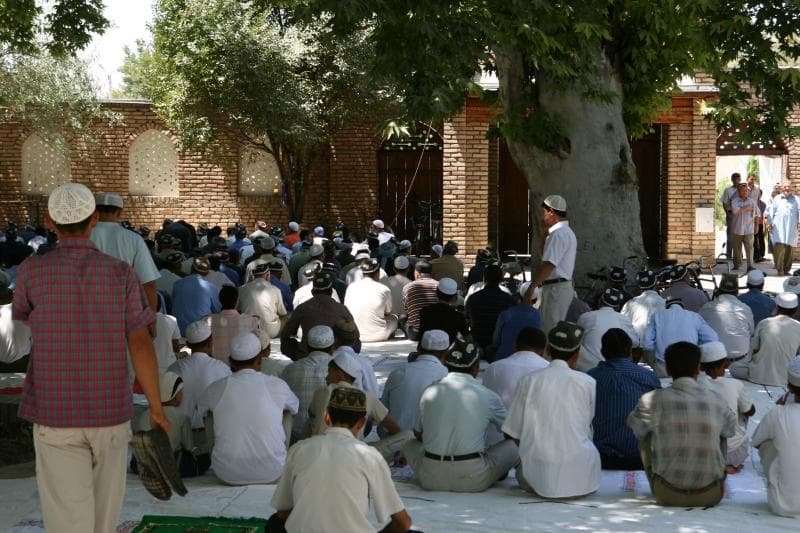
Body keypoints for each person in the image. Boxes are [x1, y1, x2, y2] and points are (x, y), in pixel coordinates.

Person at [13, 183, 166, 533]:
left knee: (68, 516)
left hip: (54, 410)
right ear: (94, 219)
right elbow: (140, 343)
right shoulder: (121, 273)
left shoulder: (32, 271)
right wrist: (155, 406)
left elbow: (23, 317)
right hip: (109, 411)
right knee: (104, 515)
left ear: (50, 222)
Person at [270, 386, 413, 533]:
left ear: (326, 416)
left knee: (274, 523)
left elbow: (283, 512)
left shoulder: (299, 449)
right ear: (361, 423)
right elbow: (403, 523)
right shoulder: (370, 456)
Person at [627, 341, 737, 507]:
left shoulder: (651, 400)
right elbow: (731, 429)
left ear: (669, 370)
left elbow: (634, 425)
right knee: (721, 432)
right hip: (711, 494)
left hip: (666, 493)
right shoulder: (717, 400)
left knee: (645, 433)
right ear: (698, 368)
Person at [403, 340, 518, 492]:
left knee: (408, 443)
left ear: (445, 364)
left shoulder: (430, 390)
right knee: (515, 446)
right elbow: (513, 433)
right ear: (476, 368)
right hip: (472, 478)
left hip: (430, 477)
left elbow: (418, 434)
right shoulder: (488, 396)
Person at [503, 321, 600, 498]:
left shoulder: (529, 381)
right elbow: (586, 425)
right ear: (576, 355)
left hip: (537, 478)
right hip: (582, 477)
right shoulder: (588, 382)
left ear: (547, 351)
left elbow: (514, 433)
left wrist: (536, 455)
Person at [198, 332, 299, 485]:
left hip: (227, 472)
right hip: (273, 470)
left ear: (230, 361)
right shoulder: (277, 385)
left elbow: (201, 409)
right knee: (287, 412)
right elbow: (295, 407)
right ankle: (276, 453)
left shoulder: (217, 388)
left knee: (210, 413)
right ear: (259, 361)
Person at [307, 350, 410, 461]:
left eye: (329, 372)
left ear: (339, 373)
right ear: (360, 424)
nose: (326, 377)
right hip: (355, 456)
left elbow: (311, 415)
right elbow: (392, 425)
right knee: (408, 436)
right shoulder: (366, 397)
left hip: (319, 452)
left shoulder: (320, 393)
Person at [587, 329, 661, 470]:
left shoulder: (590, 378)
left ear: (602, 352)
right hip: (641, 456)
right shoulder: (648, 377)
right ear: (629, 351)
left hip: (601, 456)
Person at [90, 191, 160, 313]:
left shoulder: (83, 236)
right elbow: (148, 284)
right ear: (120, 212)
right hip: (122, 315)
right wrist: (152, 320)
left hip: (87, 313)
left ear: (94, 211)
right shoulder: (134, 239)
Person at [131, 371, 206, 478]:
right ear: (174, 396)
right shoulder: (182, 417)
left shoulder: (144, 414)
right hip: (169, 466)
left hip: (141, 466)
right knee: (204, 458)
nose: (182, 396)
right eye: (180, 393)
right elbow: (189, 447)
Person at [751, 357, 800, 518]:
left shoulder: (778, 414)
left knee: (769, 442)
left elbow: (756, 441)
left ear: (789, 388)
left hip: (784, 505)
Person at [699, 342, 755, 474]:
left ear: (701, 367)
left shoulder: (696, 384)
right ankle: (728, 465)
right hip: (732, 452)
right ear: (726, 364)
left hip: (702, 452)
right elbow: (750, 411)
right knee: (742, 412)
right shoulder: (735, 384)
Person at [524, 194, 577, 334]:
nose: (543, 216)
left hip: (556, 289)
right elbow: (545, 257)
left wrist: (531, 287)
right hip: (555, 288)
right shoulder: (561, 233)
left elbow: (549, 265)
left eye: (544, 212)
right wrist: (543, 234)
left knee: (549, 331)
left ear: (551, 212)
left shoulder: (559, 234)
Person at [381, 329, 449, 432]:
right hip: (432, 444)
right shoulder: (448, 377)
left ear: (418, 350)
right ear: (446, 354)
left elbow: (383, 412)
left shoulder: (398, 373)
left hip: (396, 442)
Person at [168, 320, 231, 429]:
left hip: (181, 430)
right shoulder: (222, 368)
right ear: (211, 342)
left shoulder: (175, 367)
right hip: (211, 431)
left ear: (187, 344)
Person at [281, 271, 356, 360]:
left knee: (286, 343)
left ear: (313, 292)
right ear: (331, 291)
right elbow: (355, 334)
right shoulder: (341, 308)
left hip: (306, 353)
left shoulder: (303, 307)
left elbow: (286, 333)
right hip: (334, 354)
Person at [281, 325, 337, 442]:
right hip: (328, 439)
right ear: (333, 347)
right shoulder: (339, 371)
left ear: (307, 346)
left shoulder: (290, 369)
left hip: (294, 437)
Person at [734, 292, 800, 386]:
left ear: (777, 308)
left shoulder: (765, 323)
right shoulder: (798, 326)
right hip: (786, 379)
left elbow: (754, 349)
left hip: (758, 376)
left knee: (734, 367)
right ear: (796, 311)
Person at [643, 299, 719, 377]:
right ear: (682, 307)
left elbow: (647, 343)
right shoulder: (694, 316)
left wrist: (656, 353)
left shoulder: (657, 315)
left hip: (664, 365)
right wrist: (697, 349)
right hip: (690, 365)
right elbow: (712, 338)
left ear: (667, 307)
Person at [699, 274, 754, 376]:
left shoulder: (706, 308)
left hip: (712, 363)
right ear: (737, 291)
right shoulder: (745, 309)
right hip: (740, 362)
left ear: (719, 291)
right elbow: (751, 332)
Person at [483, 327, 548, 409]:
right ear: (543, 352)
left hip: (502, 421)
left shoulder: (493, 368)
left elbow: (486, 405)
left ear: (514, 346)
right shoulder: (551, 370)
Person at [576, 288, 639, 372]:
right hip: (614, 367)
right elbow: (635, 342)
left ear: (600, 301)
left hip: (588, 368)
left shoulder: (585, 317)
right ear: (618, 306)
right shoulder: (623, 319)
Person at [465, 263, 514, 356]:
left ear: (484, 278)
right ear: (501, 279)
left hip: (478, 344)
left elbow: (468, 319)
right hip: (500, 346)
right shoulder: (508, 300)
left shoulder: (473, 298)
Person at [344, 259, 398, 342]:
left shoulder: (350, 287)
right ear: (378, 273)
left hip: (354, 334)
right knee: (394, 318)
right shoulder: (384, 289)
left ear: (362, 273)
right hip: (378, 335)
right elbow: (388, 312)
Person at [208, 286, 259, 365]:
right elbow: (257, 321)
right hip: (239, 366)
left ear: (220, 300)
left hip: (216, 364)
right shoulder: (249, 320)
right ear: (237, 301)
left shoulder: (209, 320)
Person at [171, 257, 222, 336]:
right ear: (207, 273)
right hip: (199, 335)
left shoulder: (177, 284)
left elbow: (173, 305)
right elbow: (218, 311)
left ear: (192, 268)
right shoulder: (210, 287)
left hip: (178, 332)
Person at [491, 282, 541, 361]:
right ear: (536, 300)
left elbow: (495, 342)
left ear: (518, 296)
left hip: (503, 360)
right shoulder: (539, 316)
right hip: (530, 362)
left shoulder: (506, 314)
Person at [238, 262, 287, 339]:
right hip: (270, 332)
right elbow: (282, 313)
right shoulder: (275, 289)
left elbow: (238, 310)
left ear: (253, 277)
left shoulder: (241, 289)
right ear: (268, 276)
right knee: (286, 317)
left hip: (248, 330)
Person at [621, 270, 665, 347]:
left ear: (639, 287)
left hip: (636, 349)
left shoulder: (630, 304)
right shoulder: (665, 303)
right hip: (658, 349)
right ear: (655, 284)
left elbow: (622, 326)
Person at [419, 277, 469, 343]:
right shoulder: (458, 316)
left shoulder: (424, 311)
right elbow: (466, 336)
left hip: (427, 349)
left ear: (436, 293)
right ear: (454, 297)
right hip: (448, 351)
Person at [767, 180, 800, 275]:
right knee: (779, 248)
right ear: (781, 188)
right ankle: (779, 269)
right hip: (778, 228)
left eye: (788, 186)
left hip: (791, 228)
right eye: (785, 186)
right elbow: (771, 212)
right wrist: (769, 224)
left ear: (791, 188)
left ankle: (786, 269)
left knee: (789, 250)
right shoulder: (777, 198)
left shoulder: (796, 199)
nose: (787, 188)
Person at [401, 260, 440, 341]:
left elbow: (407, 310)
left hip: (416, 334)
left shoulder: (408, 287)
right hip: (437, 332)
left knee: (402, 318)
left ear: (417, 273)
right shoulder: (439, 285)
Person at [730, 182, 758, 271]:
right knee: (737, 249)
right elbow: (736, 211)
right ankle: (736, 265)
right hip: (737, 229)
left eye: (746, 191)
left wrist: (756, 225)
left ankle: (750, 266)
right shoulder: (734, 201)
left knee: (750, 249)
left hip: (749, 229)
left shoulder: (752, 201)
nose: (745, 192)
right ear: (738, 192)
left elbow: (756, 213)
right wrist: (747, 208)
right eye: (743, 191)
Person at [720, 172, 741, 258]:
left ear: (740, 180)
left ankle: (739, 255)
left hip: (740, 215)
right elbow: (724, 203)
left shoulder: (742, 189)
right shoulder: (728, 190)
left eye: (738, 179)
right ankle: (729, 255)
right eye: (735, 179)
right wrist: (727, 213)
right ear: (732, 180)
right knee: (730, 235)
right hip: (731, 214)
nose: (736, 181)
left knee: (740, 235)